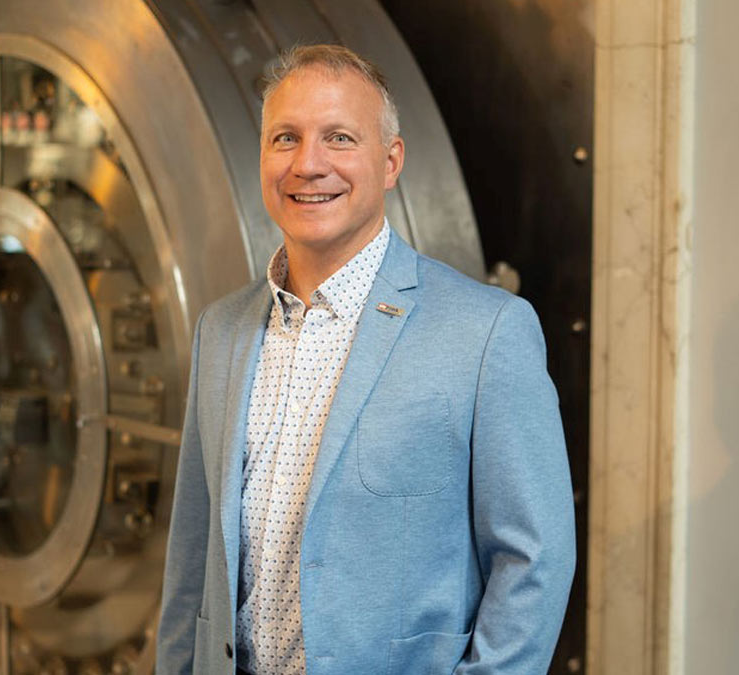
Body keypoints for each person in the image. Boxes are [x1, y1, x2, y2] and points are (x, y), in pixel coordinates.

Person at [157, 44, 575, 675]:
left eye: (340, 138)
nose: (308, 164)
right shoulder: (221, 330)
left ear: (390, 161)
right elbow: (192, 554)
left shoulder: (487, 333)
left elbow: (534, 562)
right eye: (285, 138)